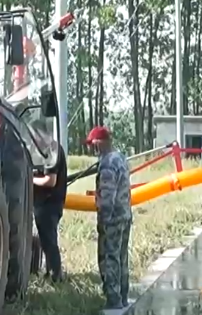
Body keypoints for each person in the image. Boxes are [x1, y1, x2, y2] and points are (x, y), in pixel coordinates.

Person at [87, 125, 132, 310]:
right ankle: (123, 296)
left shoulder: (107, 164)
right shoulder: (120, 158)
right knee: (122, 257)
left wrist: (103, 222)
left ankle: (113, 300)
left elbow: (107, 196)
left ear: (98, 143)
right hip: (125, 215)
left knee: (109, 258)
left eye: (91, 144)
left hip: (112, 220)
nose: (90, 148)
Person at [33, 143, 68, 283]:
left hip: (49, 202)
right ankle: (50, 272)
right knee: (45, 239)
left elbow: (50, 180)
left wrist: (30, 179)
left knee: (49, 240)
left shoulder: (52, 150)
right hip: (45, 202)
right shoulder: (47, 149)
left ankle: (56, 275)